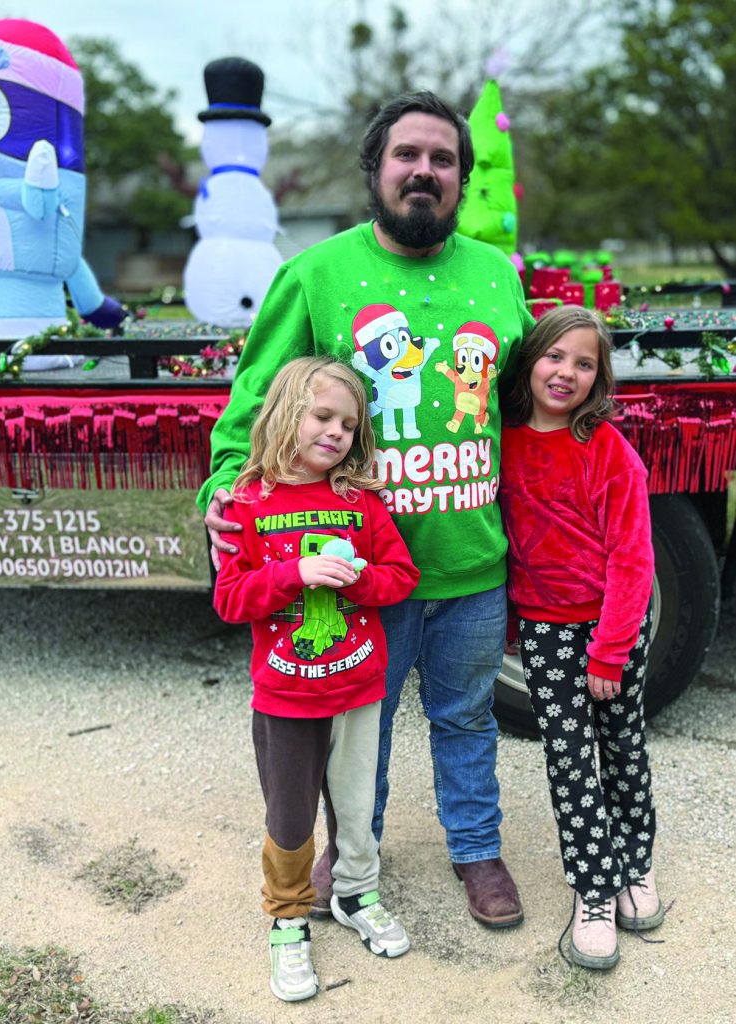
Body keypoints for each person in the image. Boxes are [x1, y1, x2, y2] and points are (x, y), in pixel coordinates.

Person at [199, 89, 534, 929]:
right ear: (376, 169)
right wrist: (224, 492)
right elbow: (254, 402)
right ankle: (352, 863)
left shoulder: (496, 276)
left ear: (459, 178)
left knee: (464, 718)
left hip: (469, 562)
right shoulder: (314, 275)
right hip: (355, 573)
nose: (424, 170)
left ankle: (476, 851)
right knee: (360, 733)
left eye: (443, 159)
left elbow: (528, 412)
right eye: (407, 155)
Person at [212, 356, 420, 1002]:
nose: (335, 433)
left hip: (357, 690)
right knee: (290, 815)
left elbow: (401, 577)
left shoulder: (358, 503)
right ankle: (288, 916)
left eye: (349, 425)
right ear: (284, 414)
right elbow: (229, 599)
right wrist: (291, 576)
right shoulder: (246, 503)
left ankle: (356, 895)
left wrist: (359, 578)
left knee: (356, 808)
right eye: (322, 416)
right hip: (286, 697)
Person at [499, 305, 663, 969]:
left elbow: (633, 558)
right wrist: (511, 622)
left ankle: (634, 866)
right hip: (542, 628)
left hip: (609, 628)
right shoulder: (504, 440)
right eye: (554, 356)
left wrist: (610, 649)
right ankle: (592, 889)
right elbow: (504, 538)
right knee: (569, 762)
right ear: (530, 359)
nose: (565, 372)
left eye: (583, 363)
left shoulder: (606, 451)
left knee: (620, 746)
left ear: (598, 379)